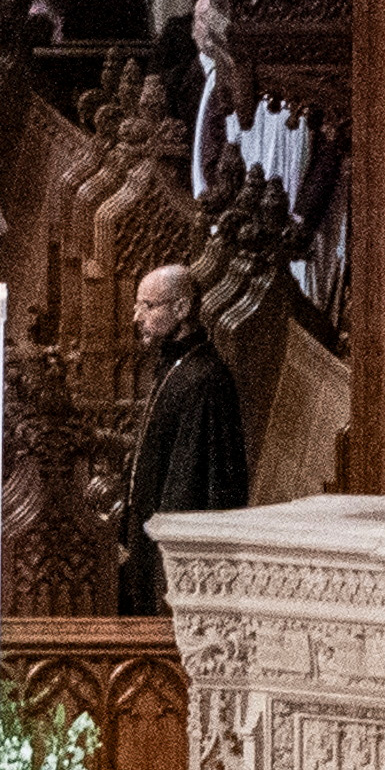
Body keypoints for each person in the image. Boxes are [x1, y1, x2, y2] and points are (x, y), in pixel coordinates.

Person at [124, 259, 251, 613]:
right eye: (137, 306)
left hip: (178, 556)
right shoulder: (174, 365)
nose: (137, 317)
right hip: (152, 539)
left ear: (182, 308)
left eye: (147, 306)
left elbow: (193, 482)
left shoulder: (205, 379)